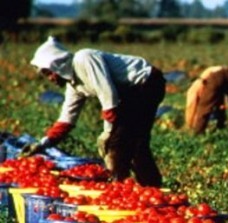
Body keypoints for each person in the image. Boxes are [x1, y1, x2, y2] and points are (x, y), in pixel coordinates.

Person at [24, 36, 166, 187]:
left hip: (147, 83)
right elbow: (67, 119)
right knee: (131, 141)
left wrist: (108, 132)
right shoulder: (74, 85)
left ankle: (125, 187)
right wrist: (43, 143)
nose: (50, 78)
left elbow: (108, 95)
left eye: (49, 73)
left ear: (58, 64)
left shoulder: (84, 58)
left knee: (121, 143)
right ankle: (144, 187)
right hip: (130, 93)